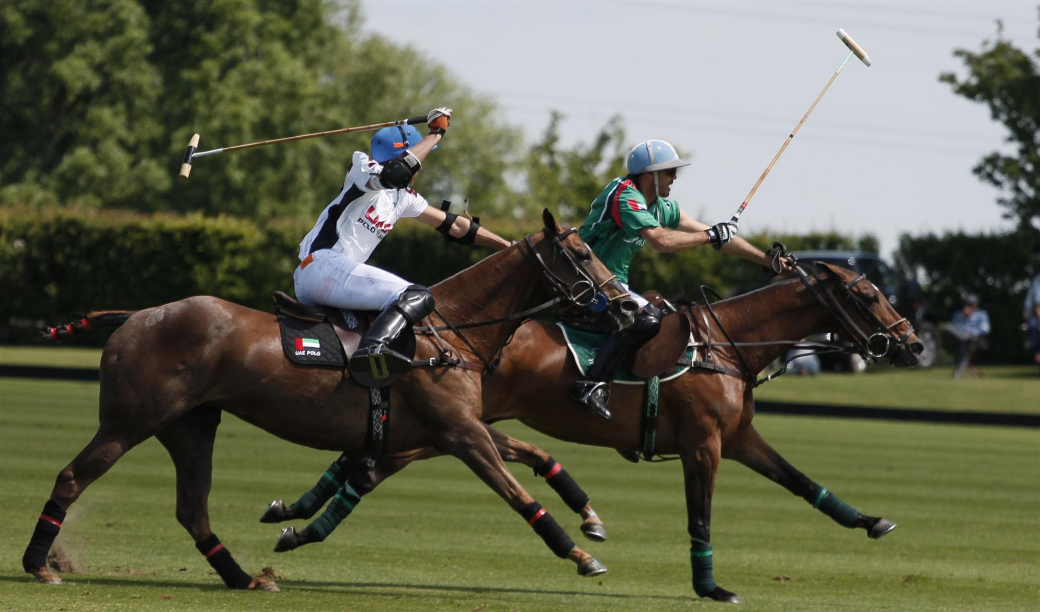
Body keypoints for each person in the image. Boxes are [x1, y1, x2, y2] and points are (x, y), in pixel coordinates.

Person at [571, 140, 793, 420]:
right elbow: (661, 241)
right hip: (585, 278)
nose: (675, 177)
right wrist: (711, 235)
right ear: (649, 174)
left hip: (614, 284)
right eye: (669, 171)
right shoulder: (624, 195)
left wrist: (768, 260)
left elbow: (716, 237)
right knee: (648, 321)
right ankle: (592, 385)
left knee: (667, 319)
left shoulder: (661, 207)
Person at [294, 107, 512, 375]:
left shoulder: (404, 198)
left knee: (401, 304)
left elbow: (454, 225)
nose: (422, 166)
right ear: (404, 153)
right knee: (415, 295)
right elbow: (393, 174)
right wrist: (435, 134)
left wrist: (508, 247)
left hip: (333, 276)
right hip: (321, 265)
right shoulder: (363, 167)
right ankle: (372, 353)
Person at [941, 293, 991, 379]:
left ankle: (958, 372)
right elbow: (955, 328)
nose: (967, 306)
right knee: (947, 327)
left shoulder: (981, 314)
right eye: (966, 304)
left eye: (970, 304)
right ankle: (958, 372)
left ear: (975, 305)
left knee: (965, 343)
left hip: (975, 340)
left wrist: (971, 333)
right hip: (960, 338)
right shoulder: (958, 315)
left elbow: (985, 329)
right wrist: (962, 318)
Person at [1024, 275, 1040, 370]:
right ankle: (1037, 352)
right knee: (1034, 326)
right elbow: (1038, 306)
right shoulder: (1038, 283)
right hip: (1034, 316)